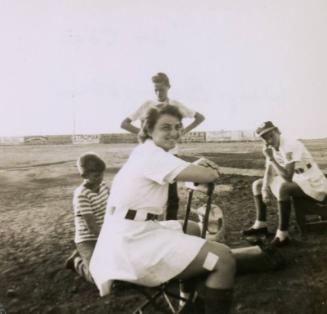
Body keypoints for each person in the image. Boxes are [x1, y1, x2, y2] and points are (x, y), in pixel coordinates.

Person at [91, 105, 235, 314]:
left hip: (129, 233)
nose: (174, 133)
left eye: (177, 127)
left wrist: (195, 167)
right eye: (166, 127)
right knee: (223, 259)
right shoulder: (152, 155)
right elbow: (209, 176)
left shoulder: (147, 152)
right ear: (149, 130)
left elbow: (185, 175)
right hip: (132, 245)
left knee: (193, 229)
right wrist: (203, 169)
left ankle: (185, 304)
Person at [120, 72, 205, 221]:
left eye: (162, 89)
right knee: (149, 194)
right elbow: (124, 123)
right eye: (156, 90)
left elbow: (200, 117)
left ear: (168, 87)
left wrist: (182, 131)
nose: (159, 93)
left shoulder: (175, 105)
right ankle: (150, 224)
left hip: (171, 154)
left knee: (172, 196)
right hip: (150, 156)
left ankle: (170, 225)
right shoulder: (147, 105)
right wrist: (146, 134)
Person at [242, 121, 327, 247]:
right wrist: (265, 189)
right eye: (265, 138)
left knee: (284, 188)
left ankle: (283, 234)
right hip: (297, 178)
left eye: (271, 135)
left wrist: (271, 158)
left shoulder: (290, 144)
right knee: (257, 184)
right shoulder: (269, 148)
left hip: (312, 179)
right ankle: (261, 224)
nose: (269, 140)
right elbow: (269, 171)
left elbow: (287, 177)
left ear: (278, 131)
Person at [65, 152, 110, 283]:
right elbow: (91, 225)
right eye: (96, 176)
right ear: (84, 175)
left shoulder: (104, 187)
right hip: (88, 238)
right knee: (98, 277)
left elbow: (113, 209)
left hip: (105, 234)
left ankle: (83, 254)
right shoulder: (81, 195)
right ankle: (76, 262)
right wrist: (107, 241)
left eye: (102, 174)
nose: (100, 178)